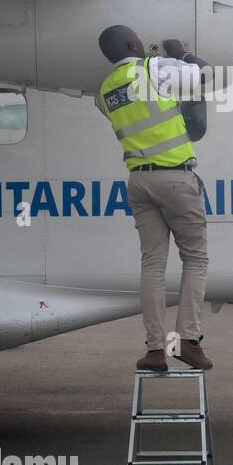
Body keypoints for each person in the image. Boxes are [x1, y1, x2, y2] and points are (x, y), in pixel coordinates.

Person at [95, 24, 214, 371]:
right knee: (195, 259)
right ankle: (187, 341)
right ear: (134, 43)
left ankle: (155, 350)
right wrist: (181, 53)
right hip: (175, 176)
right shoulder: (154, 68)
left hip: (139, 182)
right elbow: (205, 74)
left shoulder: (104, 91)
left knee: (153, 265)